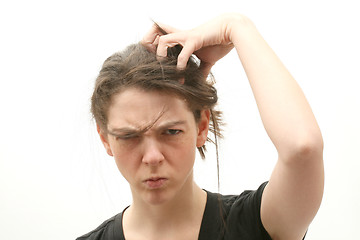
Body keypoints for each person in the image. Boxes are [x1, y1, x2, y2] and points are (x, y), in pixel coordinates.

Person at [76, 13, 324, 240]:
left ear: (202, 126)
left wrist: (236, 27)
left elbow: (303, 147)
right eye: (129, 136)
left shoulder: (253, 224)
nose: (152, 157)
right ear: (105, 138)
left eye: (171, 132)